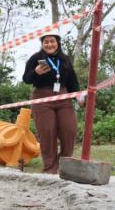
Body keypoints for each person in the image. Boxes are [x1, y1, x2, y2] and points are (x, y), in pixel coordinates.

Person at [22, 33, 81, 174]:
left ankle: (64, 165)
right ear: (42, 43)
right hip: (42, 98)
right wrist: (35, 72)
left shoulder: (65, 59)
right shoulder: (35, 58)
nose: (49, 44)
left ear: (58, 42)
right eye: (46, 42)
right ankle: (50, 168)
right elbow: (26, 79)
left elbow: (72, 80)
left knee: (69, 130)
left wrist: (77, 95)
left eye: (52, 41)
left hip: (63, 97)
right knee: (47, 132)